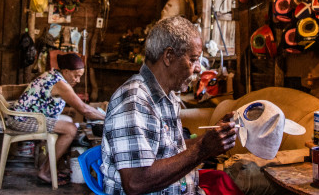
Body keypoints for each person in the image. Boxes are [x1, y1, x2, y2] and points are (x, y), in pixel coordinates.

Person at [101, 16, 240, 195]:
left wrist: (211, 138)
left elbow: (171, 149)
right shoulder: (133, 101)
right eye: (193, 59)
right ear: (169, 56)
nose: (199, 68)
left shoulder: (167, 96)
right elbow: (135, 183)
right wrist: (203, 148)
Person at [8, 52, 105, 186]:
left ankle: (55, 166)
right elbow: (84, 109)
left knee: (69, 122)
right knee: (70, 130)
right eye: (76, 76)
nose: (78, 80)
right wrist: (107, 117)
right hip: (22, 120)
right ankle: (46, 171)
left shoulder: (53, 75)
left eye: (80, 76)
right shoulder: (59, 83)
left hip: (29, 117)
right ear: (66, 71)